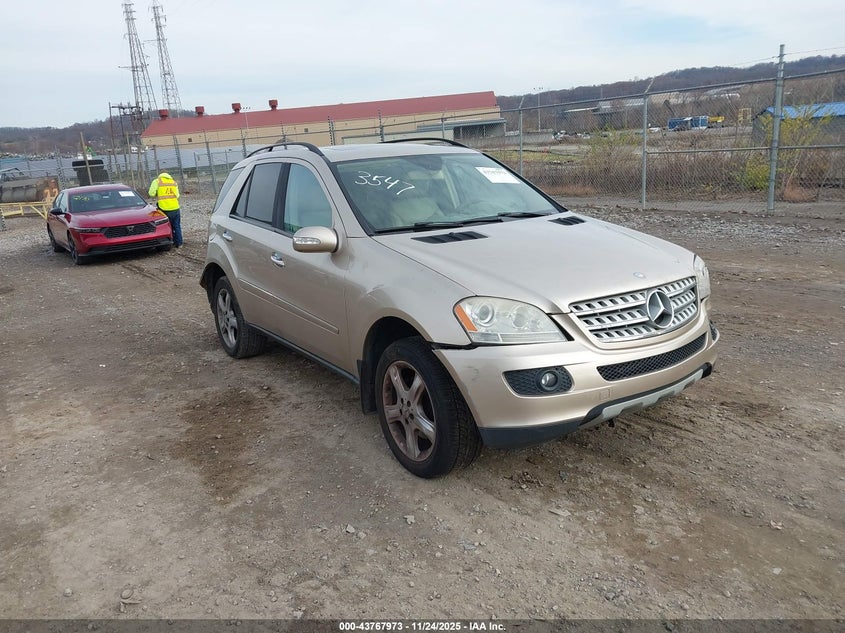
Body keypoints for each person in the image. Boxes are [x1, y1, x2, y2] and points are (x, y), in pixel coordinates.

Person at [148, 172, 182, 248]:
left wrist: (158, 193)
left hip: (164, 208)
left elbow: (151, 193)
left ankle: (169, 242)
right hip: (175, 207)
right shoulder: (173, 182)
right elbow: (177, 195)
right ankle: (179, 243)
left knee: (166, 226)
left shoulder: (157, 181)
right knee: (177, 226)